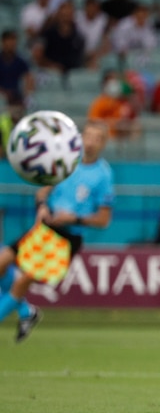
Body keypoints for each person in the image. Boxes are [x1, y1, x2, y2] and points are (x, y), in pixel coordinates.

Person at [0, 120, 113, 342]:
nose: (90, 142)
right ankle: (26, 312)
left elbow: (104, 219)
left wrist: (75, 218)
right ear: (80, 137)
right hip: (46, 227)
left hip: (67, 237)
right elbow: (42, 192)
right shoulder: (67, 162)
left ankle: (22, 311)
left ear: (103, 144)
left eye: (97, 139)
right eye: (87, 136)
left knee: (22, 281)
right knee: (3, 261)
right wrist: (42, 206)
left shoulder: (103, 175)